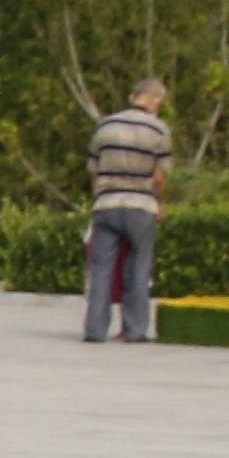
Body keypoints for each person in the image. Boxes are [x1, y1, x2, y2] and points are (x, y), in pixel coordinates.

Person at [83, 75, 175, 341]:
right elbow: (159, 176)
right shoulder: (159, 130)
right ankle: (135, 330)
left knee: (101, 268)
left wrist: (99, 194)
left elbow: (93, 169)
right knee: (138, 267)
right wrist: (159, 202)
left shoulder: (105, 126)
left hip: (107, 202)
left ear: (133, 97)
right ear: (154, 100)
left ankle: (95, 329)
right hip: (141, 204)